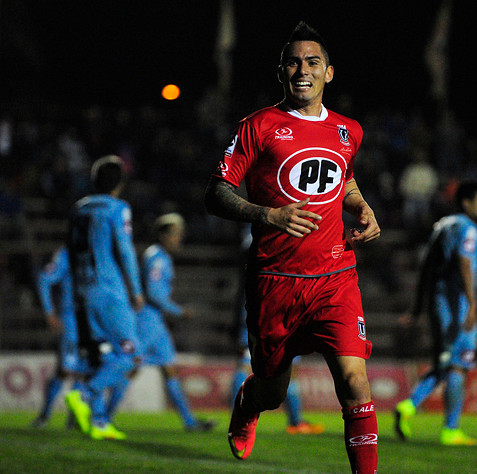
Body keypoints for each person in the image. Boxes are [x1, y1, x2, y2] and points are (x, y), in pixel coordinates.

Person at [205, 21, 380, 473]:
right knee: (273, 392)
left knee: (355, 383)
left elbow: (344, 175)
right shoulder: (259, 126)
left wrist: (360, 204)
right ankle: (248, 404)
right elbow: (217, 191)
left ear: (330, 72)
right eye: (293, 62)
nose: (303, 70)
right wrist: (268, 214)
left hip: (335, 277)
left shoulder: (348, 131)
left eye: (313, 62)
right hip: (274, 281)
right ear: (281, 71)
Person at [394, 180, 477, 446]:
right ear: (466, 203)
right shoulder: (469, 229)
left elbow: (426, 267)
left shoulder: (442, 226)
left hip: (439, 304)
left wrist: (416, 308)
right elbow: (464, 262)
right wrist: (472, 304)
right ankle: (450, 429)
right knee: (458, 366)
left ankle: (409, 406)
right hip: (457, 304)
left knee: (445, 362)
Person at [105, 213, 215, 432]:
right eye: (175, 234)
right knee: (131, 368)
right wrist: (179, 311)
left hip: (156, 323)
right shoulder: (156, 257)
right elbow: (154, 292)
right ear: (163, 235)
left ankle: (190, 422)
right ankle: (103, 417)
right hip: (146, 321)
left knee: (169, 370)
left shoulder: (161, 257)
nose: (179, 239)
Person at [65, 155, 145, 440]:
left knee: (100, 357)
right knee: (132, 354)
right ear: (120, 183)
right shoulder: (117, 208)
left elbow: (70, 253)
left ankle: (98, 422)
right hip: (109, 291)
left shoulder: (79, 208)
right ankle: (83, 394)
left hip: (82, 292)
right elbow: (124, 250)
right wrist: (136, 290)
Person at [230, 225, 324, 435]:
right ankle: (244, 415)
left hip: (266, 306)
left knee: (259, 362)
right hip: (270, 307)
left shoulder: (258, 230)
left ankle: (293, 420)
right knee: (252, 364)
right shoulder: (269, 236)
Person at [32, 246, 87, 428]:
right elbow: (44, 278)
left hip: (92, 321)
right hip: (71, 321)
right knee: (65, 370)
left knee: (84, 371)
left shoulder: (101, 250)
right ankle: (45, 415)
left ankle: (73, 419)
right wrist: (49, 312)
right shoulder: (66, 253)